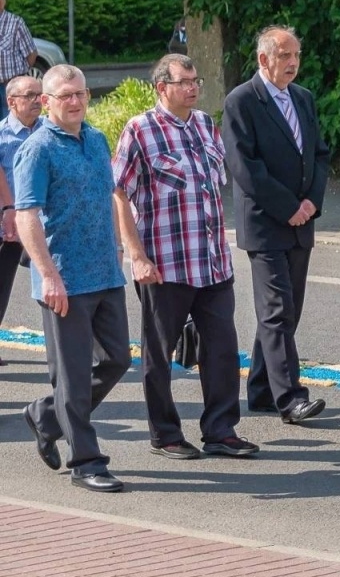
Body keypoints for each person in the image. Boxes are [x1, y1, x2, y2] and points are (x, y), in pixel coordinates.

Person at [113, 54, 259, 459]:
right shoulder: (140, 130)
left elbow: (211, 190)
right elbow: (119, 192)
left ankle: (221, 431)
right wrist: (136, 255)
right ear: (162, 87)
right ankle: (165, 435)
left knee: (222, 349)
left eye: (196, 81)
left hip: (212, 263)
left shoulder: (205, 125)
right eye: (184, 82)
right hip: (165, 265)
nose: (193, 88)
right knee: (159, 355)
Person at [15, 65, 132, 493]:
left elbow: (107, 199)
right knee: (74, 376)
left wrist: (119, 249)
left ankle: (47, 416)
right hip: (64, 280)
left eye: (80, 93)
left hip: (105, 273)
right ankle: (86, 462)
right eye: (65, 95)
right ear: (46, 102)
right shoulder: (38, 148)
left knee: (117, 360)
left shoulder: (96, 139)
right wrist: (48, 275)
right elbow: (26, 216)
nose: (76, 101)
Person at [223, 25, 330, 424]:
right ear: (263, 59)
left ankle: (262, 389)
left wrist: (311, 202)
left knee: (286, 311)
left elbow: (319, 154)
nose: (293, 62)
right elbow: (244, 167)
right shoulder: (242, 101)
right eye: (285, 55)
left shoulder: (303, 98)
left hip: (301, 221)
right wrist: (288, 207)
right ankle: (291, 399)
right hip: (265, 223)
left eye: (297, 55)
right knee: (277, 309)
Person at [0, 74, 45, 360]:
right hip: (9, 224)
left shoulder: (49, 131)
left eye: (39, 94)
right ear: (11, 102)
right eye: (29, 96)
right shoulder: (2, 135)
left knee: (57, 282)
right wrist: (8, 209)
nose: (36, 100)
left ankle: (74, 345)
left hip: (44, 224)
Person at [0, 0, 38, 84]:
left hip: (9, 85)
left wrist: (21, 77)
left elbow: (31, 54)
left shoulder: (16, 23)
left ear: (1, 4)